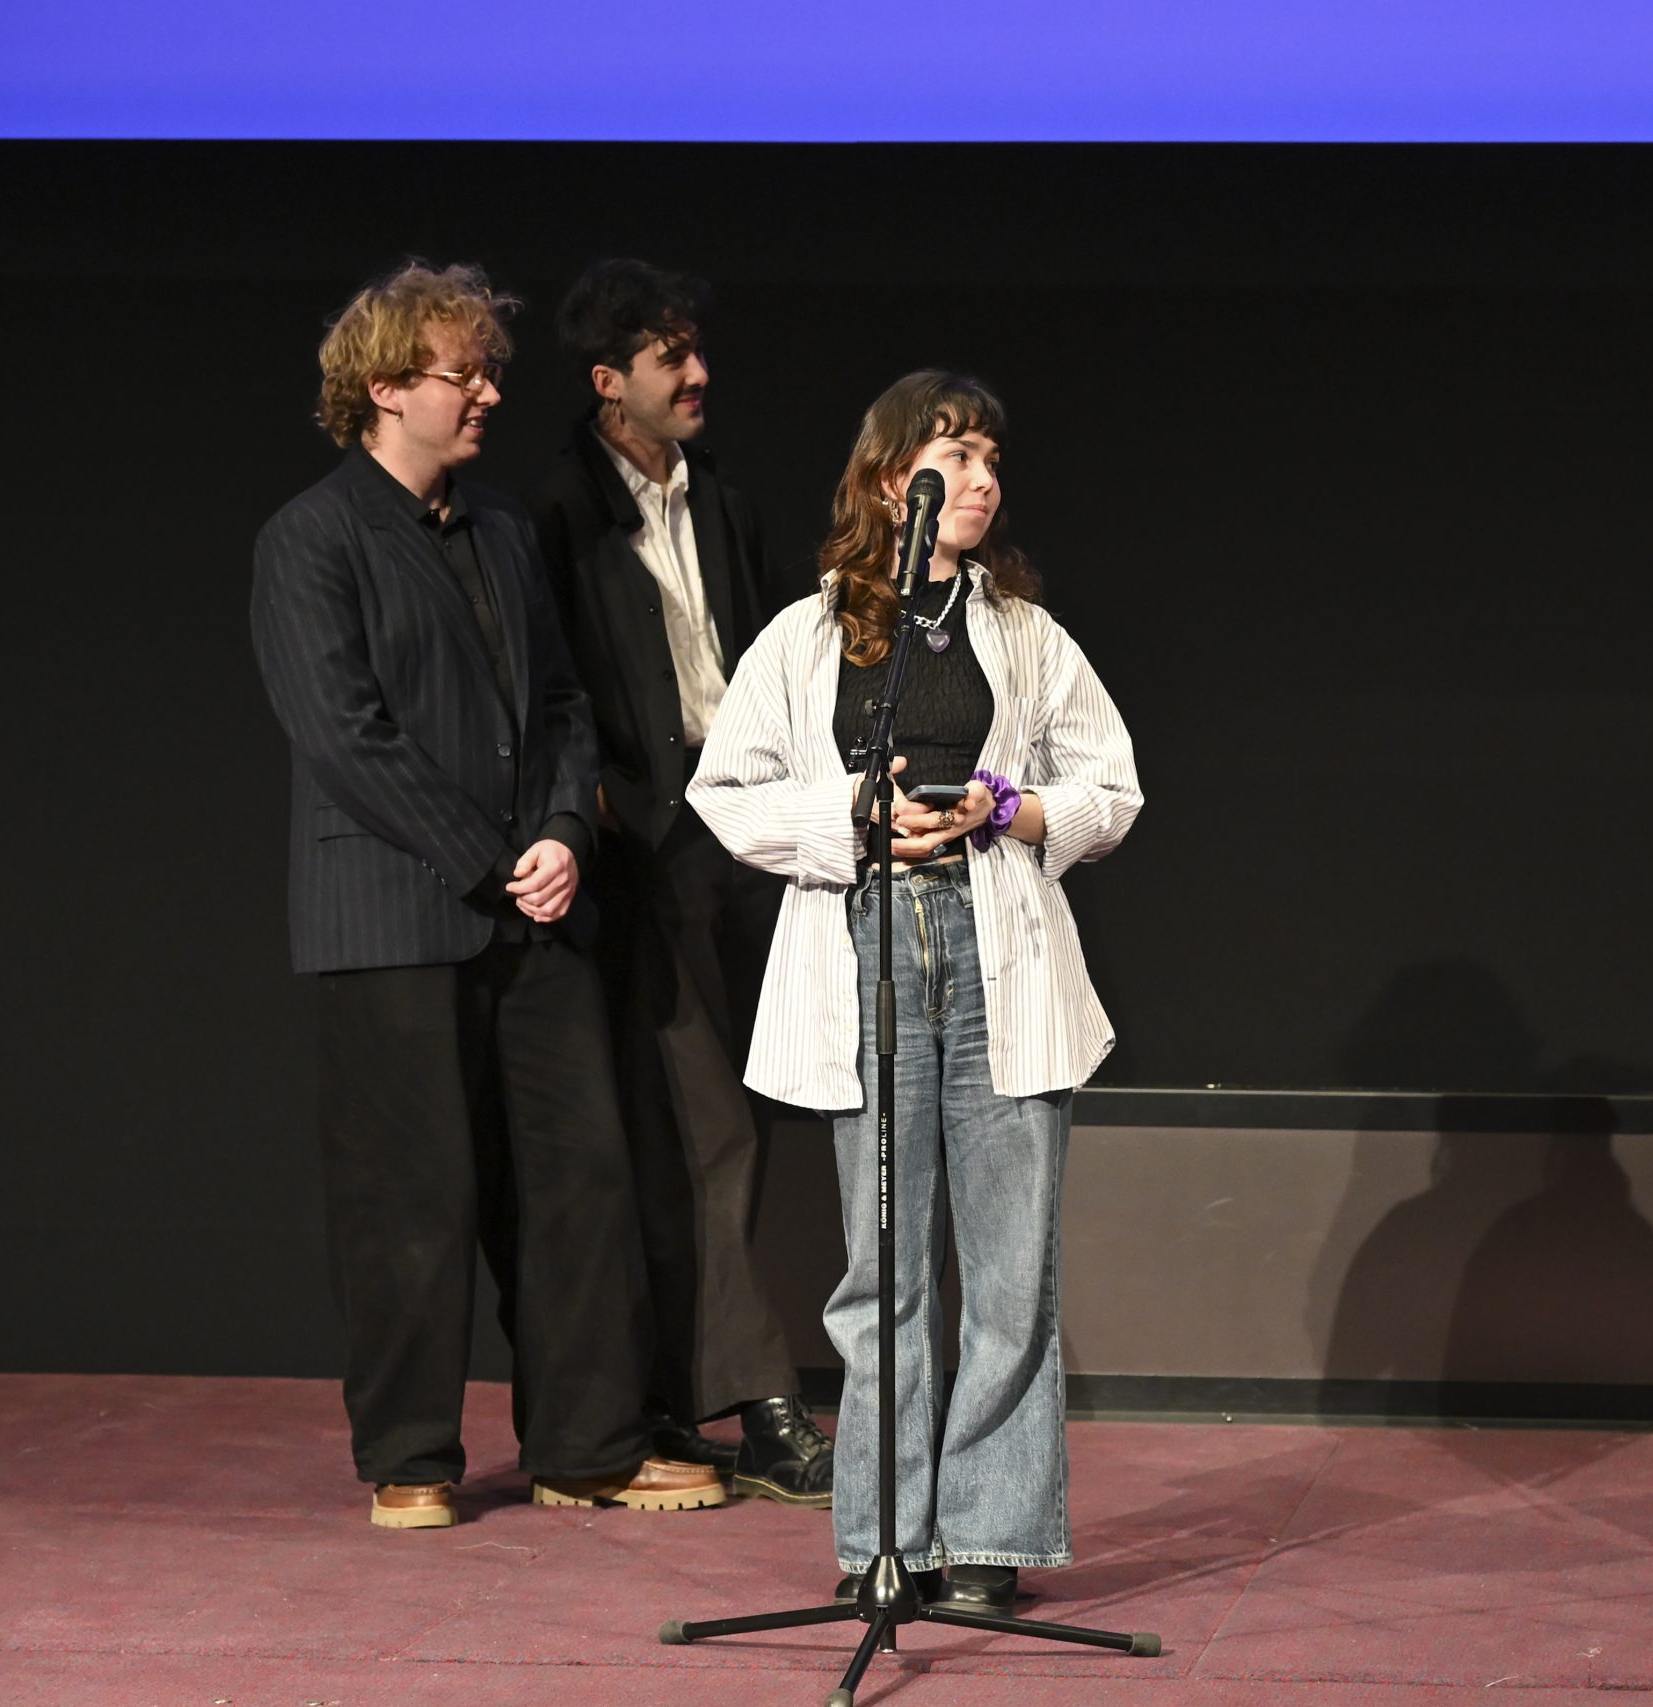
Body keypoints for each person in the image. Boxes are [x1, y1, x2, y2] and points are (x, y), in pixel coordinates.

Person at [249, 259, 724, 1527]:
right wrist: (485, 859)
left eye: (492, 374)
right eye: (467, 374)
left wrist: (567, 827)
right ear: (386, 384)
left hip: (536, 910)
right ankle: (409, 1459)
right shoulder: (311, 538)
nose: (488, 398)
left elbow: (563, 706)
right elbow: (344, 736)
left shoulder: (505, 529)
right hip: (396, 919)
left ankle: (587, 1446)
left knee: (580, 1179)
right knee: (411, 1195)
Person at [689, 370, 1140, 1611]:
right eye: (957, 456)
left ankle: (990, 1539)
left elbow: (1113, 787)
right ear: (894, 478)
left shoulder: (1027, 634)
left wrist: (1017, 807)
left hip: (997, 950)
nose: (984, 482)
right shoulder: (808, 635)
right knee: (881, 1272)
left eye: (995, 460)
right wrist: (854, 812)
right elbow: (723, 795)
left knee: (1007, 1269)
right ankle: (887, 1538)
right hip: (870, 942)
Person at [525, 259, 831, 1506]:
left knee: (752, 1125)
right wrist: (601, 807)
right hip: (642, 851)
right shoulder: (553, 514)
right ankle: (759, 1405)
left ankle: (708, 1387)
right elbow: (550, 691)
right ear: (610, 384)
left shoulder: (728, 503)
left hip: (745, 838)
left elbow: (764, 665)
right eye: (667, 356)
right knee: (701, 1128)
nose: (696, 374)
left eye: (696, 348)